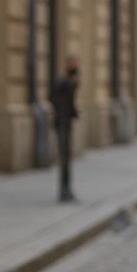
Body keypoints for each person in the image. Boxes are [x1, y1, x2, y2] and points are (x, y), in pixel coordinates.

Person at [50, 56, 80, 202]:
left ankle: (67, 189)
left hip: (67, 123)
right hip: (62, 123)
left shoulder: (72, 81)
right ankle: (63, 191)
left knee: (67, 159)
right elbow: (54, 99)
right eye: (73, 63)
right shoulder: (62, 82)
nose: (76, 66)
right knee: (64, 158)